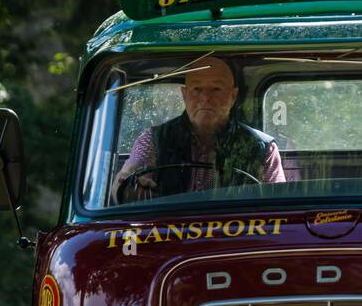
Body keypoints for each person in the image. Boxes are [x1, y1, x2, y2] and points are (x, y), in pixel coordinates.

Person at [113, 57, 285, 202]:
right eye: (197, 89)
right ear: (184, 94)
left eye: (216, 89)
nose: (205, 98)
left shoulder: (263, 148)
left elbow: (280, 207)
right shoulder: (153, 140)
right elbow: (122, 183)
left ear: (233, 96)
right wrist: (129, 186)